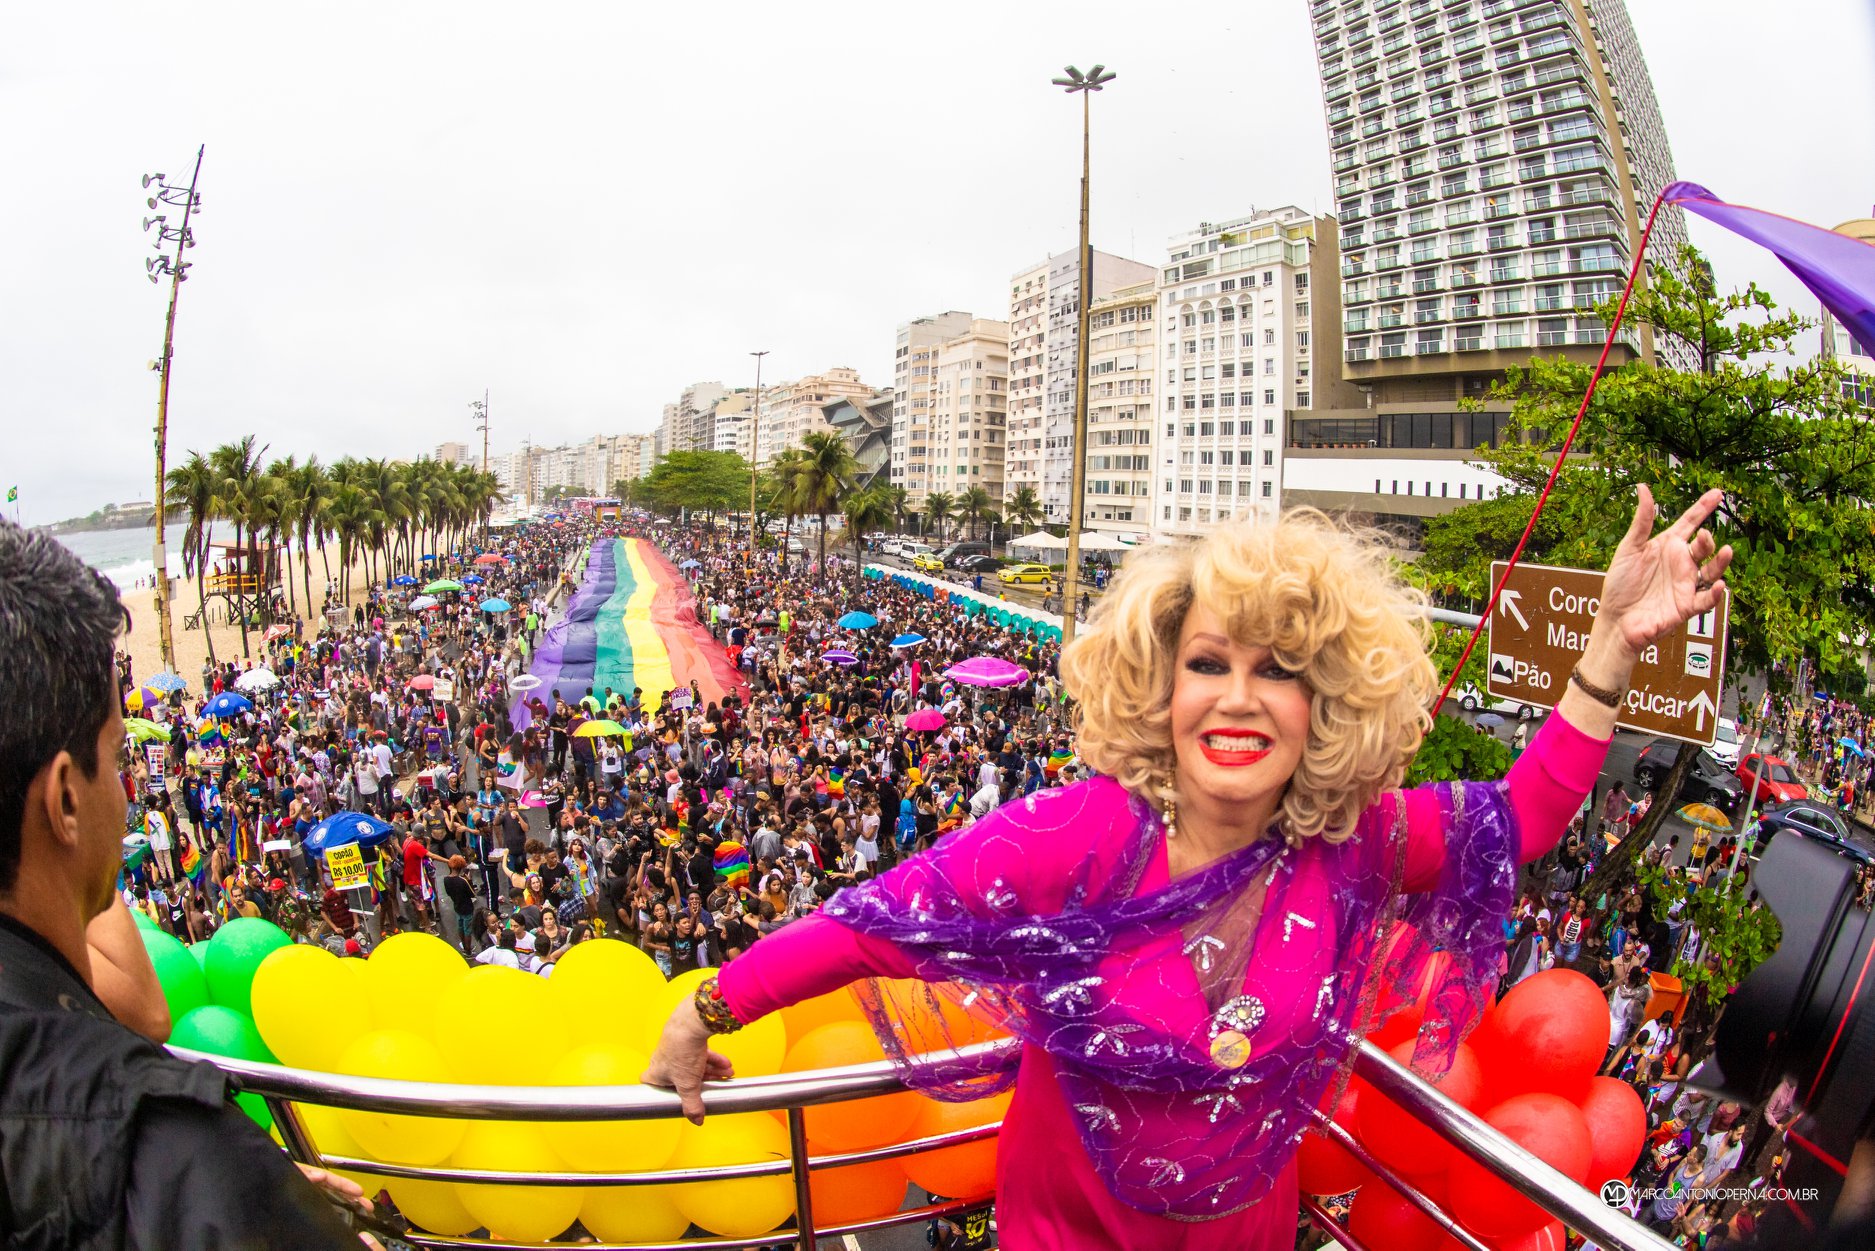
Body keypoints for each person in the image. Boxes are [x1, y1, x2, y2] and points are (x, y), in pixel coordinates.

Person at [645, 489, 1732, 1247]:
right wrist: (708, 1006)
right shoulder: (1071, 836)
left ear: (1328, 707)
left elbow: (1524, 814)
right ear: (1160, 687)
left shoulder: (1356, 844)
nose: (1240, 697)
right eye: (1209, 662)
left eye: (1282, 670)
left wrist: (1610, 650)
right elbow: (872, 922)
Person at [0, 520, 375, 1249]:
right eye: (114, 756)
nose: (130, 792)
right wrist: (251, 1204)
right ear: (66, 800)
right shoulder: (164, 1138)